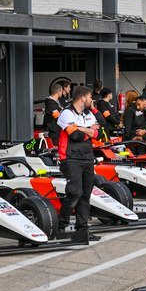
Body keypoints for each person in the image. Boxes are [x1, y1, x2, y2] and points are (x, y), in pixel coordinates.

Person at [56, 86, 101, 243]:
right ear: (82, 98)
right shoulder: (66, 113)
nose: (91, 100)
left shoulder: (88, 114)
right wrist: (88, 130)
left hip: (87, 158)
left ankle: (82, 230)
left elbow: (98, 134)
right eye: (90, 97)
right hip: (70, 158)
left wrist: (82, 128)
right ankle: (60, 226)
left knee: (85, 195)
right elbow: (75, 135)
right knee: (75, 192)